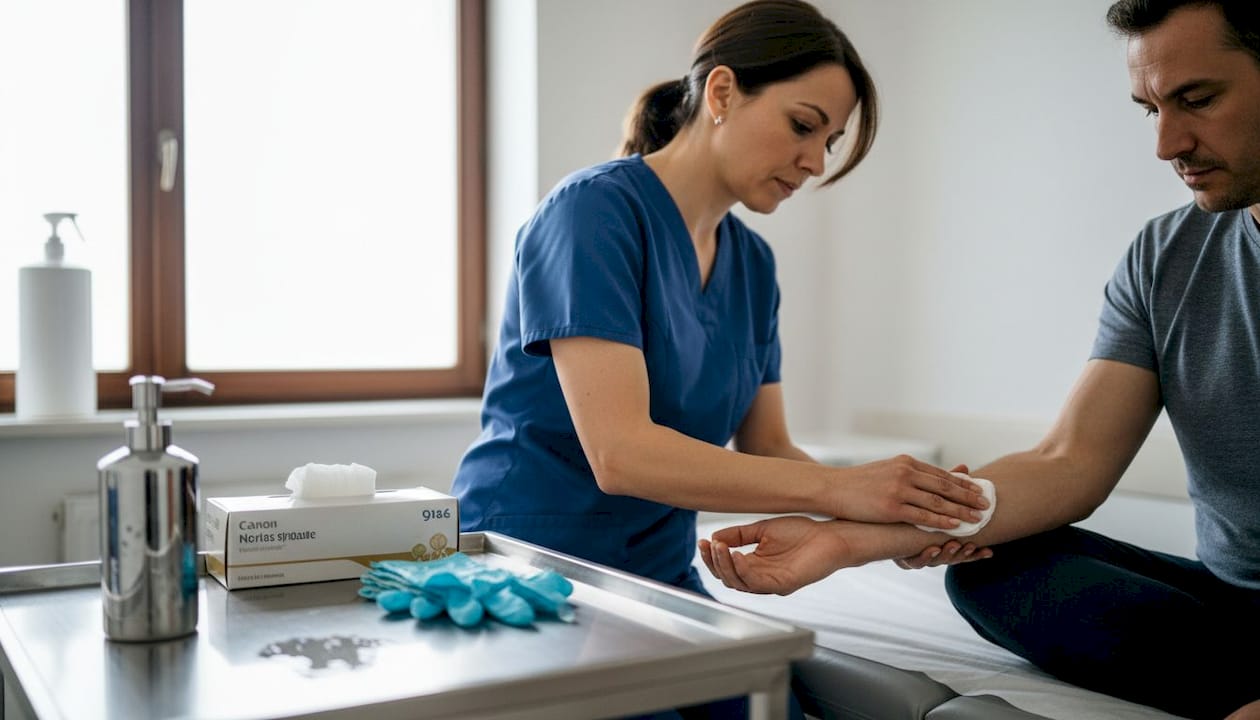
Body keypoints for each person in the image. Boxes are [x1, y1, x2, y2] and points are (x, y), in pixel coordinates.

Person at [699, 1, 1260, 718]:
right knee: (999, 566)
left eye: (1198, 100)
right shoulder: (1165, 257)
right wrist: (847, 542)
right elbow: (1068, 463)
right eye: (1149, 109)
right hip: (1234, 606)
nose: (1166, 143)